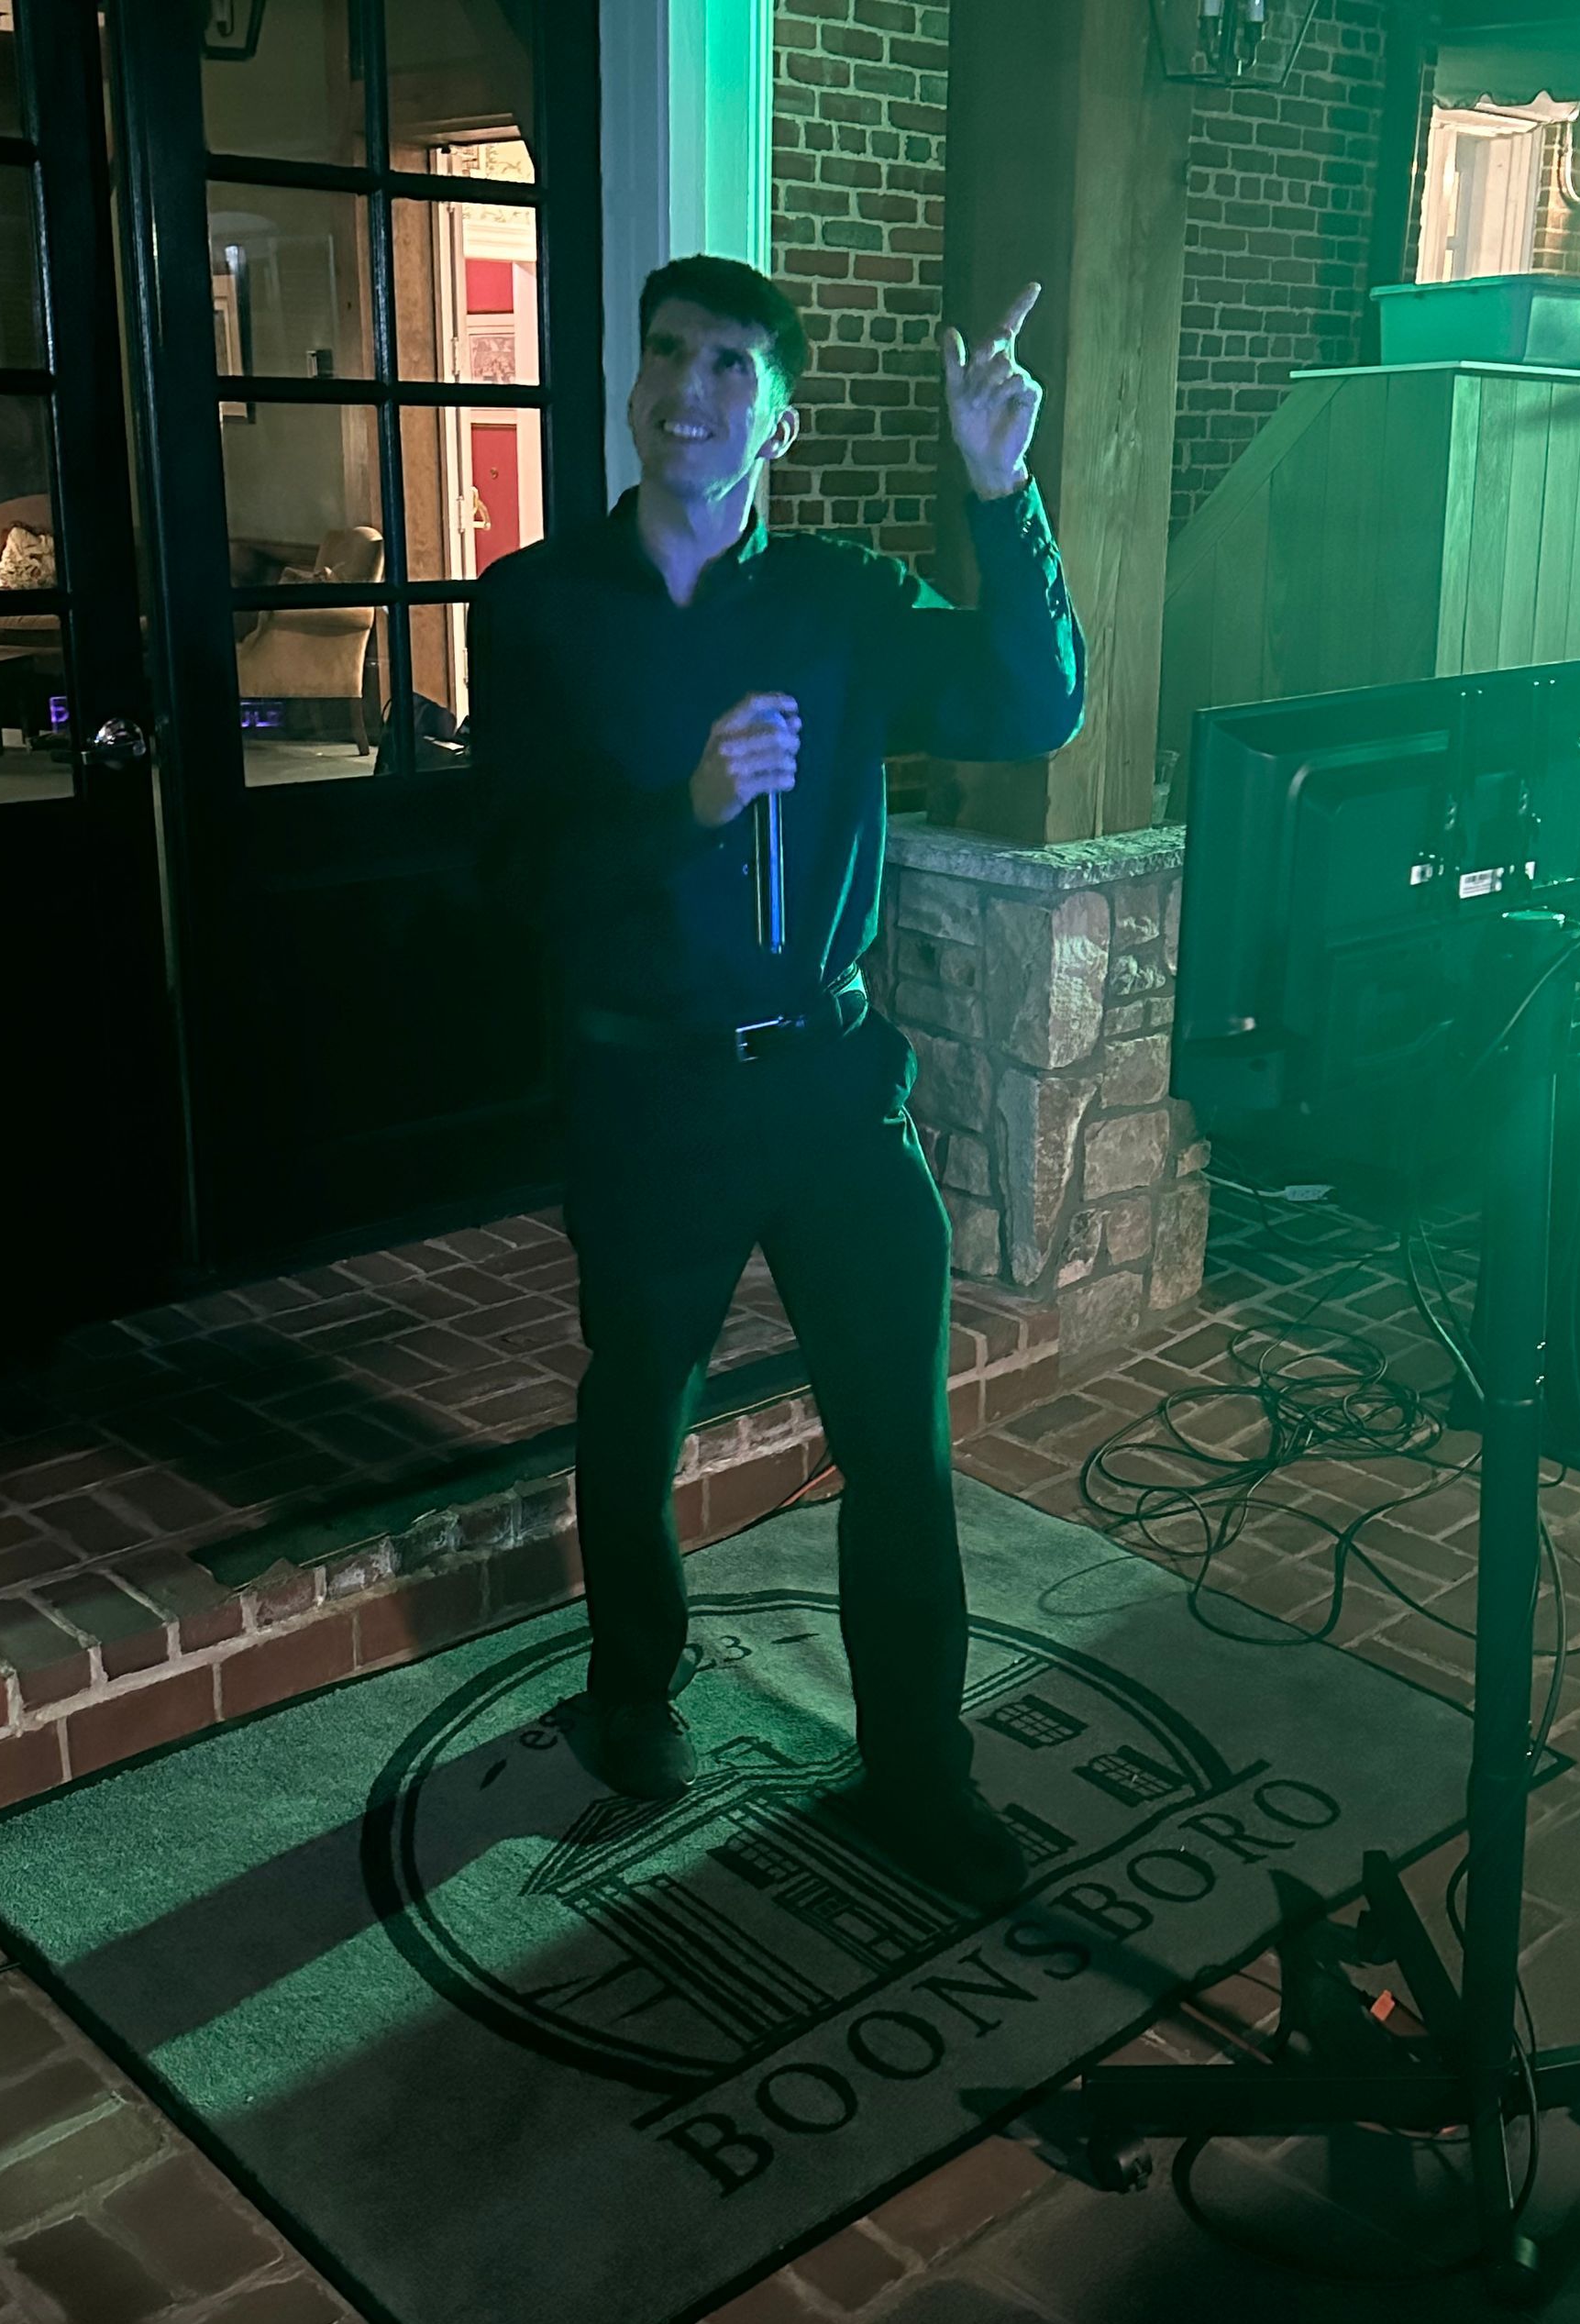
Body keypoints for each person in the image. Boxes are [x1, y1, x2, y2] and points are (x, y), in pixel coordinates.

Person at [469, 254, 1084, 1908]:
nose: (691, 388)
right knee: (636, 1410)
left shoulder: (843, 598)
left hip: (829, 1090)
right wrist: (680, 807)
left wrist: (1001, 492)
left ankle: (919, 1772)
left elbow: (1033, 703)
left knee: (901, 1445)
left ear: (781, 423)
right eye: (669, 353)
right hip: (644, 1095)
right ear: (636, 382)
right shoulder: (533, 606)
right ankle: (632, 1688)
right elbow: (512, 874)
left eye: (733, 366)